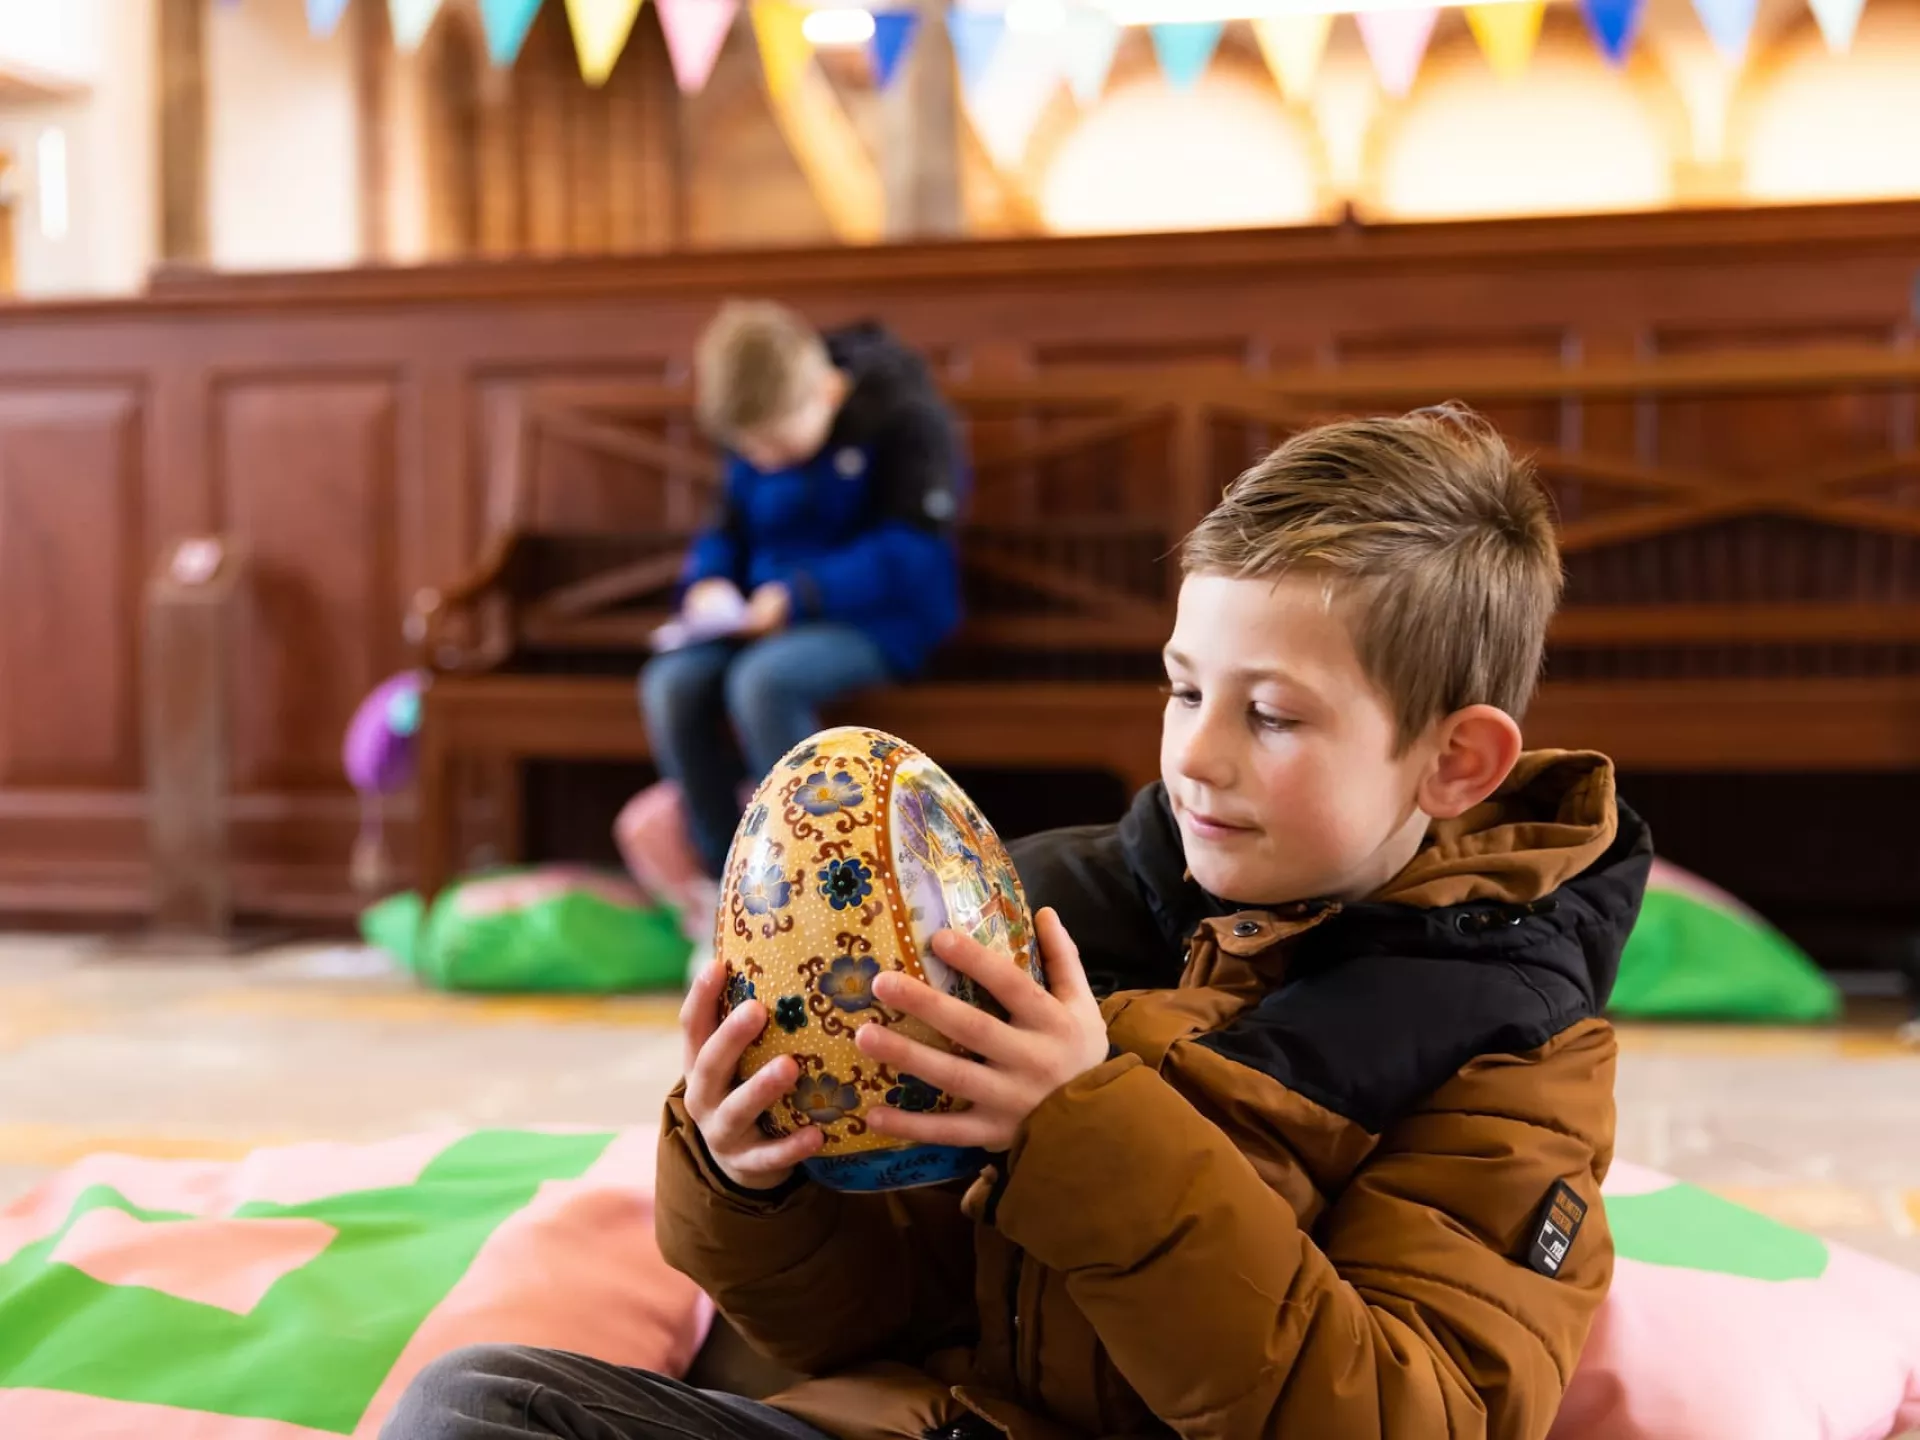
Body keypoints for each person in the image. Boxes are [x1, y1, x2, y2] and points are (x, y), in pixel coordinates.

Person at [387, 406, 1651, 1440]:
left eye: (1271, 715)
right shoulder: (1047, 910)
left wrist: (1083, 1131)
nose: (1195, 758)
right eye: (1184, 687)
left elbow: (1405, 1420)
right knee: (482, 1410)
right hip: (927, 1423)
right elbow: (858, 1327)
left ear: (1457, 764)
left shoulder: (1514, 1050)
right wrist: (754, 1174)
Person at [641, 301, 964, 879]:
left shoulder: (906, 419)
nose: (763, 461)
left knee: (763, 681)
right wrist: (708, 581)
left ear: (824, 393)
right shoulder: (758, 426)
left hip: (878, 620)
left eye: (777, 446)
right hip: (766, 620)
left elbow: (913, 549)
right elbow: (727, 527)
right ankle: (728, 878)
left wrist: (801, 594)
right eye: (750, 451)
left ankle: (817, 874)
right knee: (671, 683)